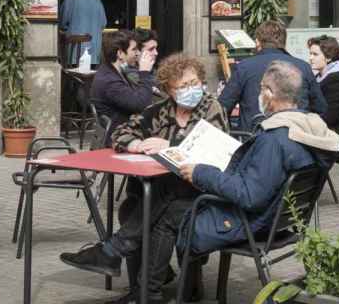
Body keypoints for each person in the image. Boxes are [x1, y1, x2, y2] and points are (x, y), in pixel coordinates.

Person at [60, 54, 228, 303]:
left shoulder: (212, 107)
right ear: (169, 90)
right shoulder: (160, 110)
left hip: (201, 192)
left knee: (161, 206)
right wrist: (136, 143)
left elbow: (210, 151)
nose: (190, 90)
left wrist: (168, 144)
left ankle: (120, 259)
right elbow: (120, 132)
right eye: (182, 86)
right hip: (168, 193)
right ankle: (149, 285)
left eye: (194, 83)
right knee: (131, 208)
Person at [177, 63, 338, 293]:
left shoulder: (274, 139)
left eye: (261, 89)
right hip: (280, 221)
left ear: (270, 93)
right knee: (178, 210)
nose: (259, 95)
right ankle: (185, 288)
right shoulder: (308, 129)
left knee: (173, 215)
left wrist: (202, 172)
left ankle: (159, 291)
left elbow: (250, 196)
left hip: (253, 223)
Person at [218, 20, 327, 133]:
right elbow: (320, 109)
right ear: (284, 42)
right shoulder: (303, 67)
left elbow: (222, 108)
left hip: (253, 139)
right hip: (296, 138)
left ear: (258, 42)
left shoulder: (244, 67)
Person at [91, 30, 157, 132]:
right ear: (120, 53)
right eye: (134, 49)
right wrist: (144, 72)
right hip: (120, 134)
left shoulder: (112, 71)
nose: (138, 53)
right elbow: (141, 105)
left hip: (123, 126)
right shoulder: (109, 81)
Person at [308, 35, 339, 136]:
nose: (310, 58)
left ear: (328, 57)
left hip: (332, 134)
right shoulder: (320, 77)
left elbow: (329, 116)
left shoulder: (337, 80)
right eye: (310, 54)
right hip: (321, 130)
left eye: (315, 54)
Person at [60, 0, 107, 66]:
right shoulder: (97, 2)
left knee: (73, 75)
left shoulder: (68, 1)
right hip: (93, 52)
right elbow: (103, 24)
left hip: (74, 53)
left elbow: (62, 24)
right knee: (91, 77)